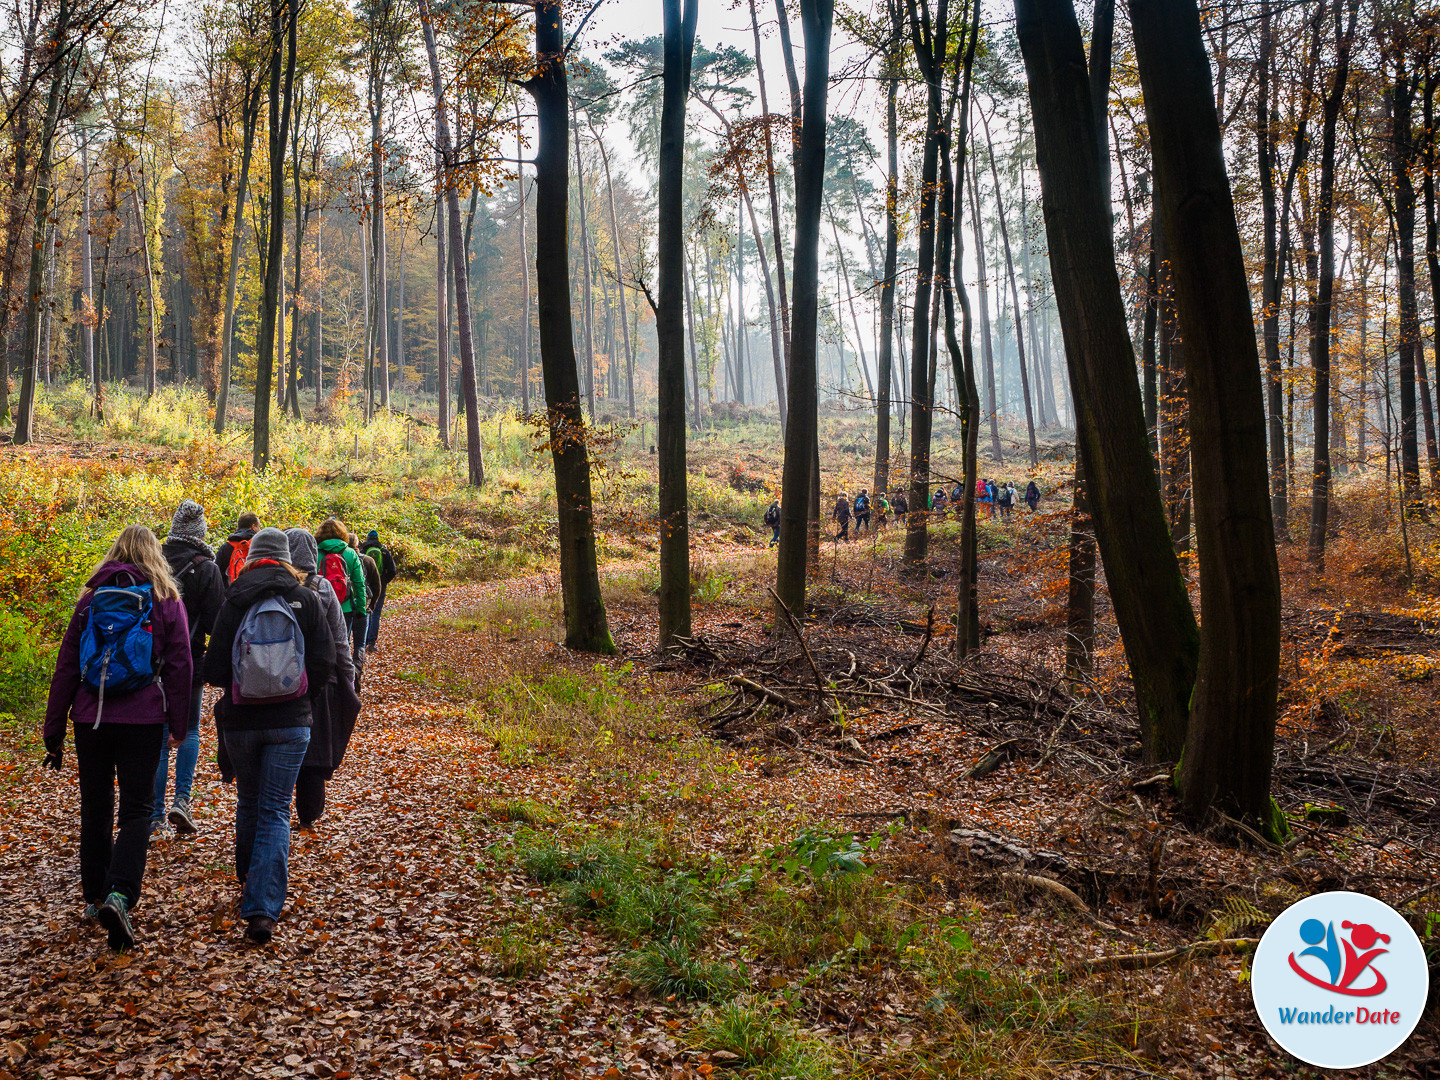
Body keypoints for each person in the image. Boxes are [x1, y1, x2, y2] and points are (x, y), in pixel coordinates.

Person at [42, 525, 192, 951]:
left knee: (95, 806)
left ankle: (94, 896)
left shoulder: (90, 599)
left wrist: (53, 730)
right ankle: (120, 893)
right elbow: (180, 666)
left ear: (115, 553)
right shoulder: (166, 600)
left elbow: (67, 665)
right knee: (137, 811)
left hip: (91, 718)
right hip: (143, 720)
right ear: (154, 555)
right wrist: (178, 727)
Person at [203, 528, 336, 945]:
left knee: (249, 800)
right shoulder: (306, 598)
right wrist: (301, 697)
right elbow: (325, 660)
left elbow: (213, 671)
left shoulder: (234, 599)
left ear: (252, 558)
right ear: (285, 560)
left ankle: (250, 879)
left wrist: (243, 688)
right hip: (292, 722)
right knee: (277, 808)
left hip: (242, 723)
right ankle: (262, 908)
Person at [155, 500, 225, 837]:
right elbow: (216, 621)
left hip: (153, 663)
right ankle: (182, 800)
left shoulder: (154, 560)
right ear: (200, 532)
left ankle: (153, 815)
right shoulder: (207, 568)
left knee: (157, 736)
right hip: (192, 659)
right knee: (190, 730)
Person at [285, 529, 361, 830]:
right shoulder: (323, 588)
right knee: (314, 750)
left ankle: (277, 812)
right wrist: (348, 678)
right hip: (320, 680)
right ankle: (308, 814)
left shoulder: (278, 587)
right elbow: (340, 641)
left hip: (281, 677)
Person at [315, 518, 366, 673]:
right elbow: (359, 583)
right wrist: (361, 609)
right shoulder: (350, 553)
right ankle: (344, 677)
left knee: (322, 643)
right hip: (345, 607)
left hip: (320, 606)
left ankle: (326, 677)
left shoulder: (315, 552)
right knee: (343, 643)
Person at [361, 529, 397, 653]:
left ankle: (362, 642)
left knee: (366, 612)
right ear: (377, 538)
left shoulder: (363, 551)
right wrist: (384, 581)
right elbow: (393, 570)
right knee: (376, 614)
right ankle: (371, 643)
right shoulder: (384, 551)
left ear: (367, 538)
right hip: (380, 587)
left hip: (365, 587)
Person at [216, 512, 261, 584]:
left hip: (230, 591)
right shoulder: (259, 545)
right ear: (253, 527)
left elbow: (217, 573)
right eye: (259, 526)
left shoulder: (226, 546)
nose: (260, 529)